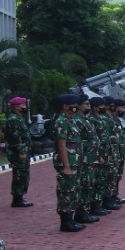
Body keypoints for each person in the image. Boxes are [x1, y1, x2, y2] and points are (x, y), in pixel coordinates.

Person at [52, 93, 84, 232]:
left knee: (73, 191)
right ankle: (65, 222)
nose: (76, 107)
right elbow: (61, 145)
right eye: (73, 105)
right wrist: (66, 166)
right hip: (68, 163)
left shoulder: (70, 120)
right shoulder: (62, 121)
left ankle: (70, 219)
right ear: (65, 106)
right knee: (66, 191)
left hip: (75, 162)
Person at [6, 96, 33, 207]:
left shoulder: (18, 117)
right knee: (19, 175)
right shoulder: (13, 119)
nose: (25, 107)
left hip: (23, 151)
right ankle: (17, 200)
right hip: (17, 153)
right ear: (17, 107)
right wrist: (21, 151)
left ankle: (20, 197)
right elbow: (15, 137)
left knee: (23, 175)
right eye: (23, 105)